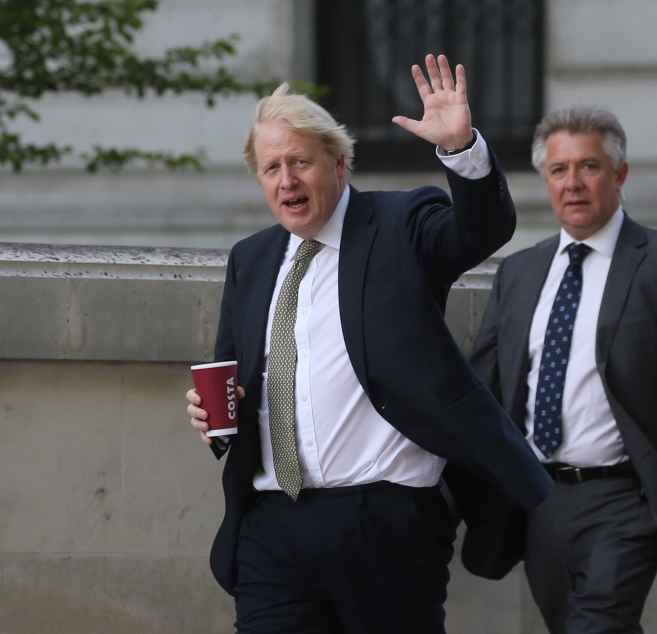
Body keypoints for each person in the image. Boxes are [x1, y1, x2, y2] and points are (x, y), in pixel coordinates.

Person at [185, 55, 552, 633]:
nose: (287, 180)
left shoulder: (403, 222)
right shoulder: (251, 260)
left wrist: (461, 150)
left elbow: (480, 231)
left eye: (301, 162)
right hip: (275, 525)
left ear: (340, 163)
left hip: (383, 520)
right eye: (272, 167)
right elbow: (236, 379)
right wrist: (212, 418)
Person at [464, 105, 657, 633]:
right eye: (559, 170)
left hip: (625, 501)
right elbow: (478, 390)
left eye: (589, 167)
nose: (573, 183)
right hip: (540, 499)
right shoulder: (520, 273)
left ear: (619, 175)